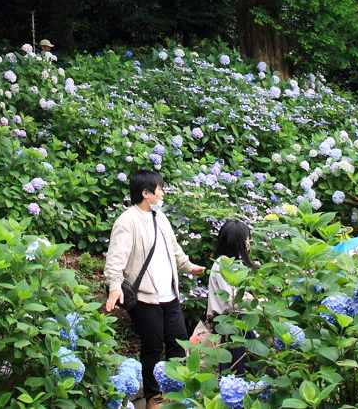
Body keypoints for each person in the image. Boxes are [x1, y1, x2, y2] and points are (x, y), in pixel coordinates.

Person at [104, 171, 206, 409]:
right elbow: (115, 260)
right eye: (159, 189)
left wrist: (189, 266)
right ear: (146, 193)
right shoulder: (127, 221)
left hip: (169, 295)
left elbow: (174, 247)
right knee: (152, 347)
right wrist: (114, 287)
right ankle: (153, 397)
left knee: (178, 344)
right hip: (144, 298)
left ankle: (178, 390)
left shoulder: (160, 216)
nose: (162, 193)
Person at [207, 220, 257, 375]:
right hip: (229, 326)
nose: (249, 243)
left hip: (237, 323)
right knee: (238, 372)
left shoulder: (233, 263)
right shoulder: (223, 263)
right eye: (247, 239)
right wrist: (256, 303)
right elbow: (232, 300)